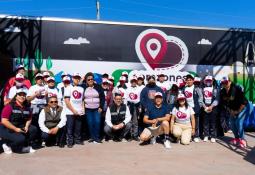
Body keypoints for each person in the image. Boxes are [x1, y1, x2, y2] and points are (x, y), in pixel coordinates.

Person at [0, 88, 37, 154]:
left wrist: (26, 126)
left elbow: (29, 118)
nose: (22, 97)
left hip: (18, 126)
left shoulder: (27, 107)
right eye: (20, 95)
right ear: (16, 96)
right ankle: (6, 144)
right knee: (20, 139)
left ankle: (23, 146)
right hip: (6, 127)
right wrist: (16, 129)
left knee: (33, 129)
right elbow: (4, 121)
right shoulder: (9, 106)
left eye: (23, 95)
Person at [220, 76, 249, 148]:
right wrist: (231, 111)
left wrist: (238, 111)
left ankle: (243, 140)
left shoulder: (236, 89)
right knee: (232, 124)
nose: (224, 84)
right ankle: (237, 138)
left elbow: (244, 102)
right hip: (232, 110)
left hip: (242, 108)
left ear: (229, 82)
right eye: (222, 83)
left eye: (226, 82)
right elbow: (224, 103)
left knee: (239, 123)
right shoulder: (222, 91)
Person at [83, 72, 105, 143]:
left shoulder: (98, 87)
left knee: (97, 122)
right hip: (88, 108)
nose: (90, 80)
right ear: (86, 80)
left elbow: (102, 97)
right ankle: (92, 137)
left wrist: (101, 107)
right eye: (88, 79)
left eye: (91, 79)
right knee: (90, 122)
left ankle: (97, 137)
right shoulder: (83, 87)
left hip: (97, 108)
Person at [64, 73, 85, 148]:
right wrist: (73, 111)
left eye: (78, 78)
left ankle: (77, 140)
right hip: (70, 112)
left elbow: (82, 100)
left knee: (78, 127)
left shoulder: (81, 88)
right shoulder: (68, 87)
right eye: (75, 78)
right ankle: (70, 141)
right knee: (70, 128)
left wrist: (83, 109)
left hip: (79, 111)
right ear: (72, 78)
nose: (77, 79)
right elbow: (67, 101)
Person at [26, 73, 47, 145]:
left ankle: (42, 139)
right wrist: (35, 95)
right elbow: (28, 99)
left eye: (41, 78)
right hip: (34, 106)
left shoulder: (45, 87)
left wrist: (47, 96)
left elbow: (47, 99)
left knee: (43, 123)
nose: (40, 80)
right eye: (38, 78)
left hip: (43, 106)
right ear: (35, 80)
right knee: (34, 123)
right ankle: (34, 139)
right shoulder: (32, 87)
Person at [183, 74, 203, 143]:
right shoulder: (184, 88)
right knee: (188, 123)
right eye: (187, 80)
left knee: (196, 122)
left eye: (190, 80)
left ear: (193, 80)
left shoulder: (196, 88)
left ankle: (196, 136)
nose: (189, 81)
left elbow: (201, 97)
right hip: (187, 108)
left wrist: (199, 105)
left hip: (195, 108)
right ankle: (190, 136)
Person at [201, 75, 219, 143]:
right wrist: (204, 106)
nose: (208, 82)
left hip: (213, 107)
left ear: (212, 81)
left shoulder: (215, 88)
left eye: (210, 81)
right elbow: (201, 98)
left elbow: (217, 99)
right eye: (207, 81)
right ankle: (206, 135)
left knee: (213, 122)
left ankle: (213, 136)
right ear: (205, 81)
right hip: (205, 106)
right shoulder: (203, 88)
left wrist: (212, 106)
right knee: (205, 122)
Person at [126, 76, 142, 141]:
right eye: (132, 81)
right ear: (131, 82)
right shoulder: (128, 89)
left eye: (135, 81)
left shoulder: (139, 89)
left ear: (136, 82)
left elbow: (140, 98)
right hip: (129, 106)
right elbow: (126, 98)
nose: (133, 82)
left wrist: (140, 107)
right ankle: (129, 135)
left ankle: (135, 135)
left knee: (135, 121)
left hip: (136, 106)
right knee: (129, 121)